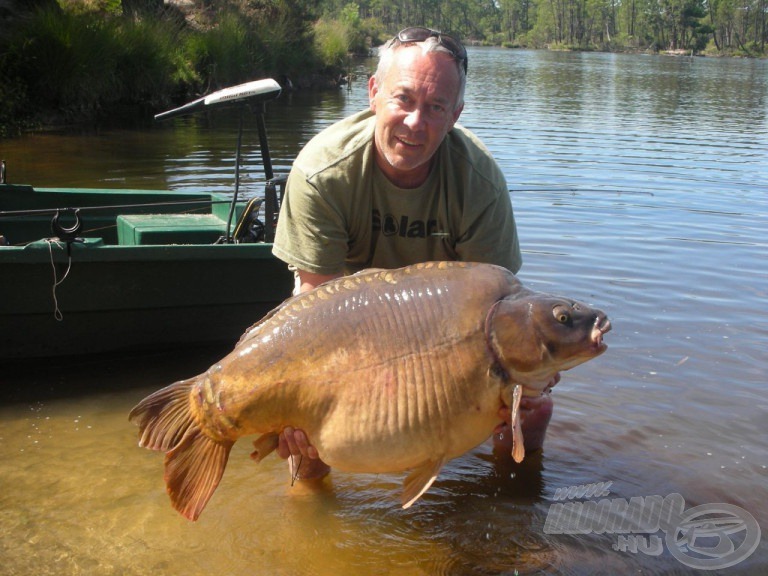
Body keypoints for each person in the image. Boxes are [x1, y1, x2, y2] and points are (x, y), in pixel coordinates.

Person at [271, 27, 553, 480]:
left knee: (531, 403)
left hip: (440, 334)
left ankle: (512, 500)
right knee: (303, 420)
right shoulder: (321, 172)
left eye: (435, 107)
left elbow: (497, 306)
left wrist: (522, 373)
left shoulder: (478, 183)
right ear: (373, 93)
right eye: (403, 99)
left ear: (455, 114)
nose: (415, 123)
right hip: (342, 330)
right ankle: (306, 505)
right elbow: (312, 309)